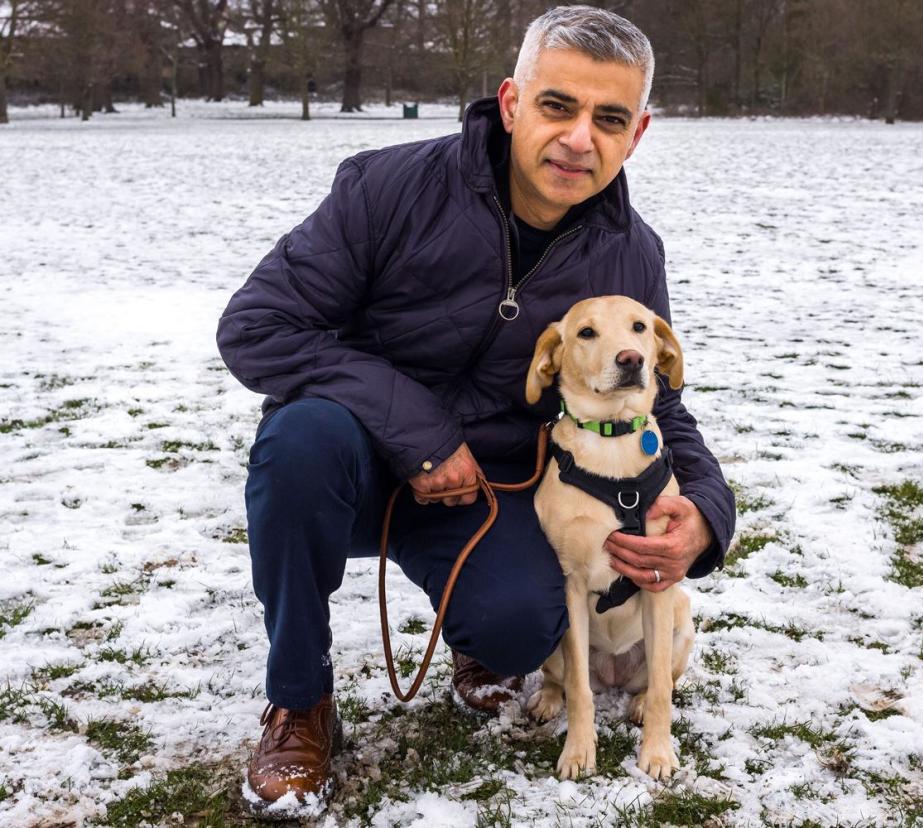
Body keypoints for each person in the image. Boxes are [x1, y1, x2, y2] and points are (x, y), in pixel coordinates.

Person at [216, 5, 736, 813]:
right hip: (347, 473)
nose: (578, 139)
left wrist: (706, 512)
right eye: (558, 106)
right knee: (302, 437)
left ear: (637, 134)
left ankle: (477, 638)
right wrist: (419, 433)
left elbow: (658, 404)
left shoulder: (632, 252)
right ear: (512, 102)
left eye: (609, 119)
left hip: (492, 499)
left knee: (524, 624)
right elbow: (256, 328)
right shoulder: (386, 187)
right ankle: (300, 704)